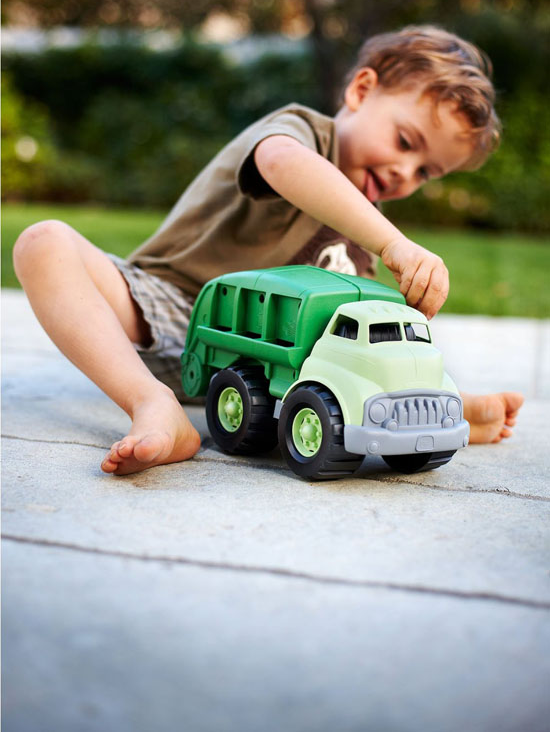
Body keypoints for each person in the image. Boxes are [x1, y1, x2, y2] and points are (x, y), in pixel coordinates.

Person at [13, 25, 524, 476]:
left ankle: (440, 413)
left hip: (259, 366)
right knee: (44, 242)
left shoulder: (363, 230)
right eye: (407, 143)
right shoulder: (301, 134)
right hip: (164, 310)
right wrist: (392, 243)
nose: (403, 174)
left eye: (426, 173)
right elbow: (281, 163)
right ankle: (152, 402)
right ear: (362, 90)